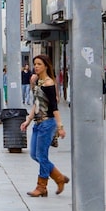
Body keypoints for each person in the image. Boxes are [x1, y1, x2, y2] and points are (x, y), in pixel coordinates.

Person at [19, 54, 68, 197]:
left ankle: (41, 187)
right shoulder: (38, 82)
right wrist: (28, 120)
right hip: (37, 123)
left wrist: (60, 126)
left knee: (42, 155)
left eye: (39, 64)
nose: (36, 66)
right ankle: (59, 178)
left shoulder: (49, 83)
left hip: (47, 123)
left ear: (46, 66)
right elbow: (37, 103)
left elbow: (54, 106)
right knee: (35, 155)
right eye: (35, 64)